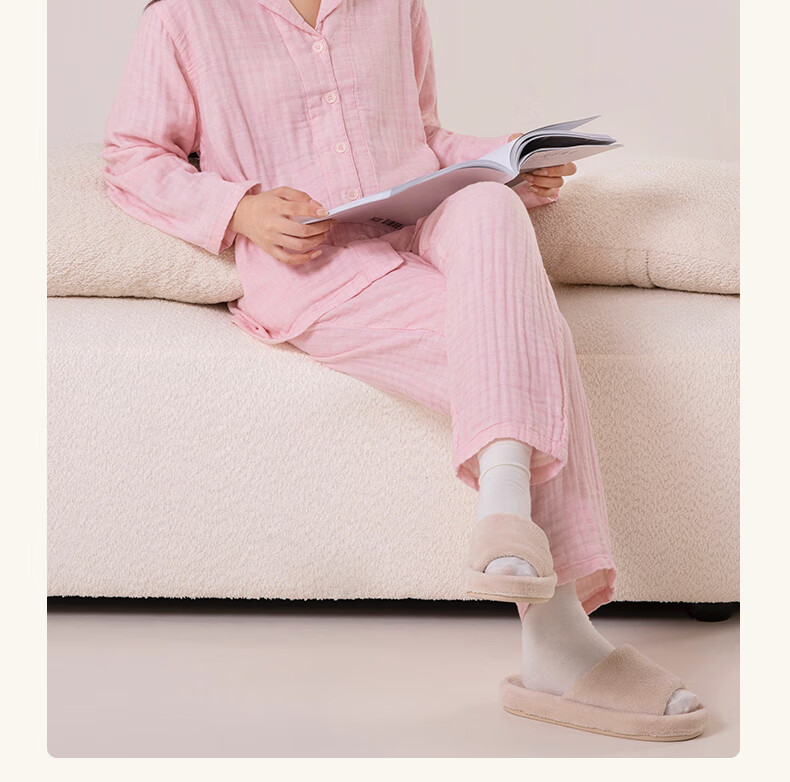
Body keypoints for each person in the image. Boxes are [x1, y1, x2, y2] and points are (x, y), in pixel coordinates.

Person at [102, 0, 705, 740]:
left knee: (489, 205)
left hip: (419, 222)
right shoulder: (186, 18)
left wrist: (508, 159)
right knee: (528, 335)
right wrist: (241, 210)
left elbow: (420, 138)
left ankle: (504, 512)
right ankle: (558, 639)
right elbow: (133, 155)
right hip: (318, 270)